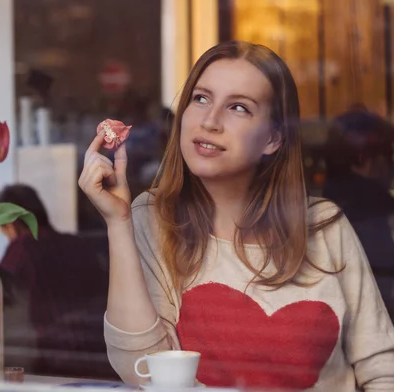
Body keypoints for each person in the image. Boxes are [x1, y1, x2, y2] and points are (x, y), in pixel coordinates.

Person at [78, 40, 394, 390]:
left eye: (239, 107)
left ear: (273, 138)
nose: (210, 121)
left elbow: (382, 366)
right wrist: (117, 223)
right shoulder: (152, 217)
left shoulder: (323, 226)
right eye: (201, 98)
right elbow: (140, 372)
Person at [0, 184, 114, 378]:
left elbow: (0, 300)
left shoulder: (21, 250)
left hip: (52, 361)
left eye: (3, 229)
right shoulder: (77, 244)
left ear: (11, 223)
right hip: (100, 355)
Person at [322, 108, 394, 318]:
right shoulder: (375, 210)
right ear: (363, 159)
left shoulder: (322, 207)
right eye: (388, 154)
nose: (391, 165)